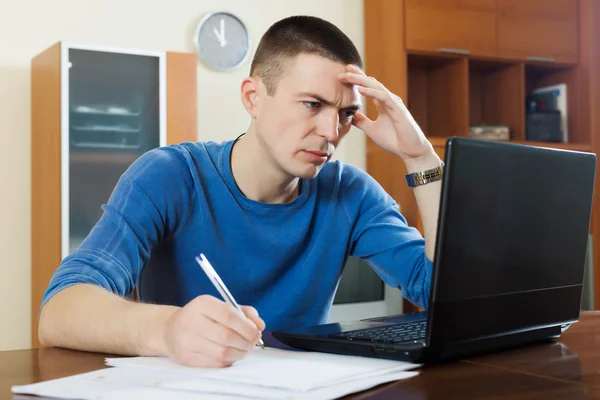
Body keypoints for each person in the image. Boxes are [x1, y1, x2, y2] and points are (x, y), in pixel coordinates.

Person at [38, 15, 443, 368]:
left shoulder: (350, 192)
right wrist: (167, 329)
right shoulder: (170, 176)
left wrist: (420, 157)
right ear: (253, 97)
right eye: (311, 104)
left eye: (345, 113)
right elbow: (60, 310)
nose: (330, 132)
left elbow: (440, 294)